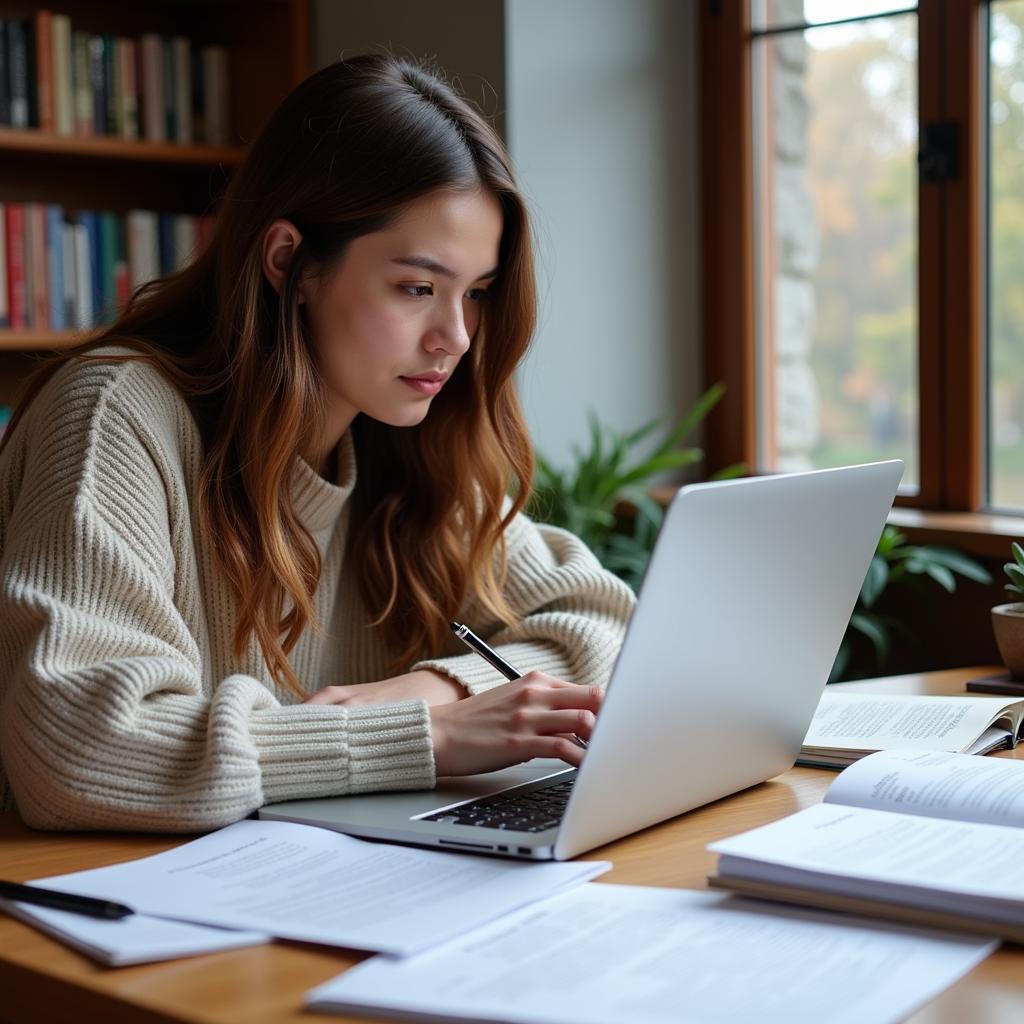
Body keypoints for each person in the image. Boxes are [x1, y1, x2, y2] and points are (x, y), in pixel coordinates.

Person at [0, 53, 635, 833]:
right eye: (416, 288)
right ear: (289, 264)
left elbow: (600, 621)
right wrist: (422, 737)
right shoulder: (117, 413)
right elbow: (79, 747)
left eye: (475, 293)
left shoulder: (409, 442)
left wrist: (426, 694)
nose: (456, 337)